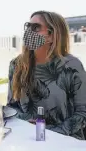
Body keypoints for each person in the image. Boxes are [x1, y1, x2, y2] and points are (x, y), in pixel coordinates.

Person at [7, 11, 86, 140]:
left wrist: (49, 133)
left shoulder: (72, 66)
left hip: (66, 143)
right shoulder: (16, 65)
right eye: (28, 26)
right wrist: (29, 125)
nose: (29, 31)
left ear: (51, 35)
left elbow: (82, 113)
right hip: (29, 138)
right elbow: (11, 107)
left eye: (36, 27)